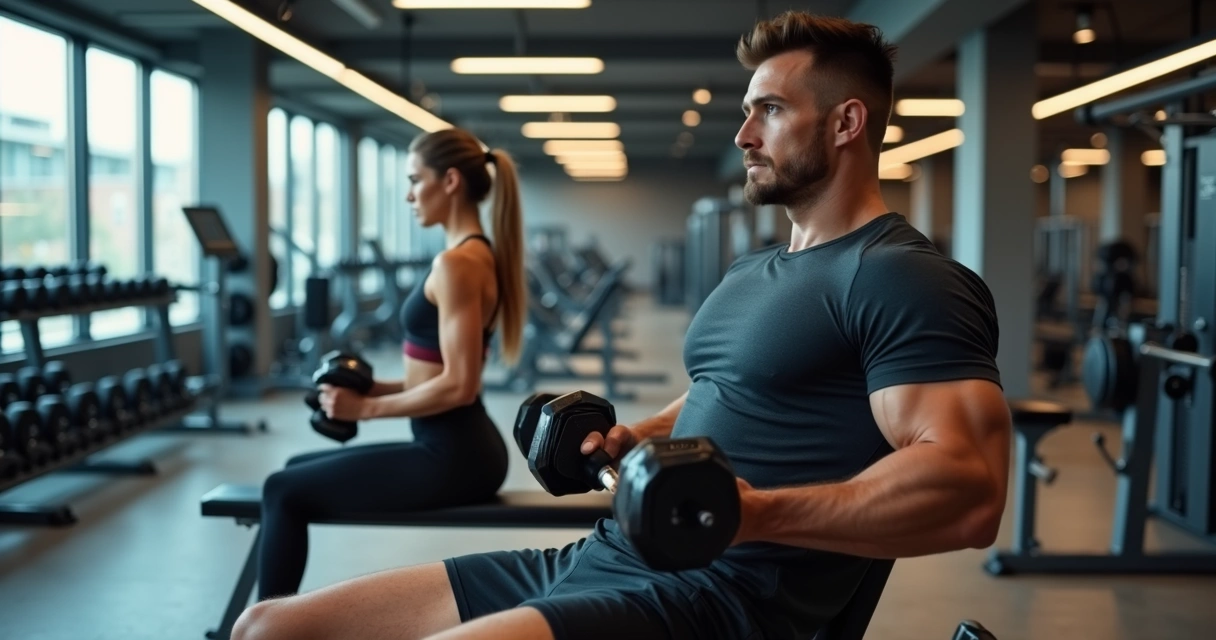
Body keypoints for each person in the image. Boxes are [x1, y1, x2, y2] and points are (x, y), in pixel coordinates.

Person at [233, 11, 1013, 640]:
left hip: (714, 599)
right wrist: (634, 436)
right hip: (609, 555)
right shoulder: (753, 271)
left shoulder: (899, 277)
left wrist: (754, 513)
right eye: (746, 111)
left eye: (770, 111)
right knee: (269, 626)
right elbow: (725, 391)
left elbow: (968, 490)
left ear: (846, 123)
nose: (743, 135)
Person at [253, 127, 527, 600]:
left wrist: (365, 410)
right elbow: (438, 374)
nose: (408, 195)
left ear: (450, 181)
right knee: (294, 469)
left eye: (415, 180)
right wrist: (373, 388)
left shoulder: (457, 264)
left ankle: (263, 627)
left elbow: (459, 386)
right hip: (456, 447)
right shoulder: (472, 256)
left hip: (454, 456)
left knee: (283, 489)